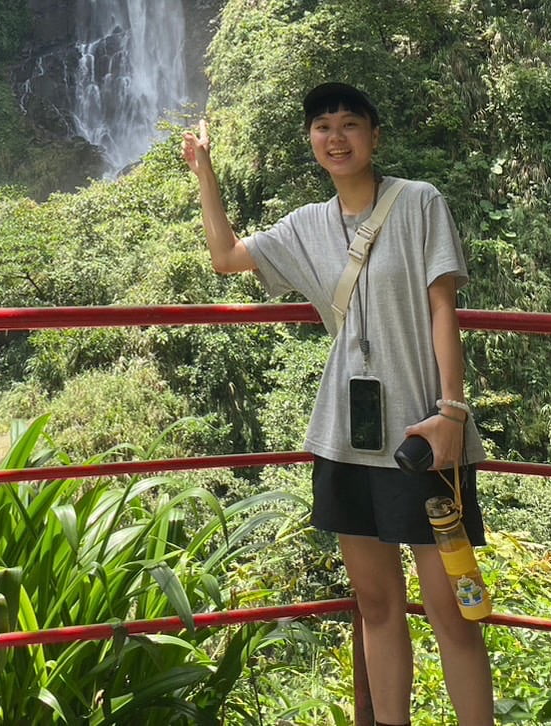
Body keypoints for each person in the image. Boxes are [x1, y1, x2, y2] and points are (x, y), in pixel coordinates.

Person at [182, 82, 494, 726]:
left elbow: (443, 308)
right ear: (311, 142)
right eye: (323, 126)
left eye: (350, 124)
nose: (336, 137)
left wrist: (453, 412)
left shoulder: (418, 204)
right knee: (377, 608)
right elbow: (225, 257)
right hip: (346, 439)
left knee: (454, 614)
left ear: (374, 137)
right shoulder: (306, 226)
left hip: (423, 438)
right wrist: (204, 172)